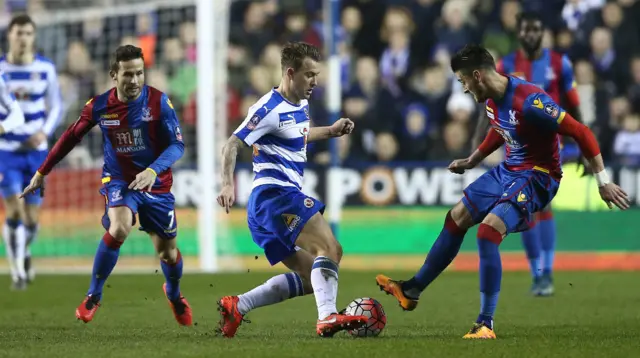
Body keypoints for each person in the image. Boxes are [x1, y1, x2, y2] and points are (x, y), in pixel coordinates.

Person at [376, 44, 629, 339]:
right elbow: (500, 128)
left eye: (463, 82)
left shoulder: (531, 101)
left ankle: (485, 323)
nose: (463, 88)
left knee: (487, 233)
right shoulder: (491, 97)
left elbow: (581, 132)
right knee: (456, 216)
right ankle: (412, 289)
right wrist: (473, 160)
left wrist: (603, 181)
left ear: (477, 76)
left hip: (539, 176)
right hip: (509, 170)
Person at [21, 45, 192, 326]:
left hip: (156, 183)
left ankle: (174, 294)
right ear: (114, 74)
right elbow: (70, 137)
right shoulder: (99, 106)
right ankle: (93, 295)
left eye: (139, 73)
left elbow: (177, 145)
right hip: (120, 179)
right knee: (119, 226)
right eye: (128, 74)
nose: (135, 80)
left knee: (168, 253)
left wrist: (153, 170)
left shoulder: (159, 102)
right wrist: (42, 171)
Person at [215, 41, 367, 338]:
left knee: (313, 278)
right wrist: (226, 182)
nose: (315, 82)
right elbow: (232, 144)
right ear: (290, 73)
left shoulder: (301, 104)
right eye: (309, 75)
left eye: (317, 75)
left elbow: (297, 135)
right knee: (331, 249)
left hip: (267, 207)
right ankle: (327, 317)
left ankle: (238, 306)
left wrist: (331, 131)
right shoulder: (266, 108)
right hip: (275, 196)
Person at [473, 12, 585, 296]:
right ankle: (539, 271)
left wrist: (582, 140)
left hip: (550, 143)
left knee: (539, 207)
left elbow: (573, 103)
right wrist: (476, 144)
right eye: (526, 30)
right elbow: (490, 104)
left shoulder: (560, 64)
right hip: (517, 143)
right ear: (519, 33)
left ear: (543, 32)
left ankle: (543, 272)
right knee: (527, 209)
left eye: (536, 29)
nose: (532, 34)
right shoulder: (506, 64)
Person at [0, 14, 62, 289]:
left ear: (33, 37)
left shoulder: (46, 69)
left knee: (32, 218)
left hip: (37, 152)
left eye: (27, 33)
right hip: (7, 151)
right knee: (13, 210)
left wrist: (44, 132)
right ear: (9, 35)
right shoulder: (1, 70)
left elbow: (57, 106)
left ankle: (24, 250)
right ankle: (18, 275)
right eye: (18, 33)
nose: (22, 38)